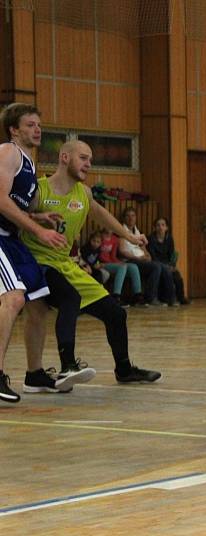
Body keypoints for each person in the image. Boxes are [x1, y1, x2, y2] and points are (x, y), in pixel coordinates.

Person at [21, 140, 162, 384]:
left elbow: (101, 215)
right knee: (69, 299)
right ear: (65, 157)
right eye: (83, 158)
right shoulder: (39, 190)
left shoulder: (83, 193)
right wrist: (35, 218)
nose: (88, 164)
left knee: (115, 314)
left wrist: (129, 236)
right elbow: (16, 216)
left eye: (90, 160)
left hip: (64, 264)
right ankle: (68, 365)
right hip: (37, 263)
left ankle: (124, 370)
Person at [0, 103, 91, 403]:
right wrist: (38, 231)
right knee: (13, 299)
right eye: (29, 125)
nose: (37, 129)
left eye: (38, 124)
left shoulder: (28, 164)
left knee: (38, 301)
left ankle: (35, 374)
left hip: (13, 238)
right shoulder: (9, 152)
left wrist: (38, 217)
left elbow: (16, 205)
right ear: (14, 130)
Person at [118, 207, 174, 306]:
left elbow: (143, 247)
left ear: (136, 218)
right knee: (156, 267)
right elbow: (122, 251)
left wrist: (147, 255)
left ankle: (168, 298)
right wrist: (138, 258)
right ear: (124, 218)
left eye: (133, 216)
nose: (131, 218)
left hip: (141, 260)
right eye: (128, 216)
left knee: (161, 267)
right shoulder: (122, 231)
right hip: (131, 260)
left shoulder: (137, 231)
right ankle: (150, 298)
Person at [147, 217, 189, 305]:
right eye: (158, 225)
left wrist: (172, 265)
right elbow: (152, 255)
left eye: (163, 225)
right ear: (154, 227)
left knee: (176, 274)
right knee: (167, 271)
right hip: (156, 262)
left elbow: (172, 253)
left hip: (167, 263)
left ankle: (181, 298)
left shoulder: (169, 238)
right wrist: (165, 265)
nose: (160, 227)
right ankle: (171, 299)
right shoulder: (151, 238)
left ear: (166, 227)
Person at [98, 227, 145, 306]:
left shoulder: (115, 239)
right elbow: (98, 253)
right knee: (122, 267)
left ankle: (137, 295)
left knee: (133, 266)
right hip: (101, 263)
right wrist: (118, 264)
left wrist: (119, 262)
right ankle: (116, 296)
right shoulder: (100, 237)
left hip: (111, 262)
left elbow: (113, 256)